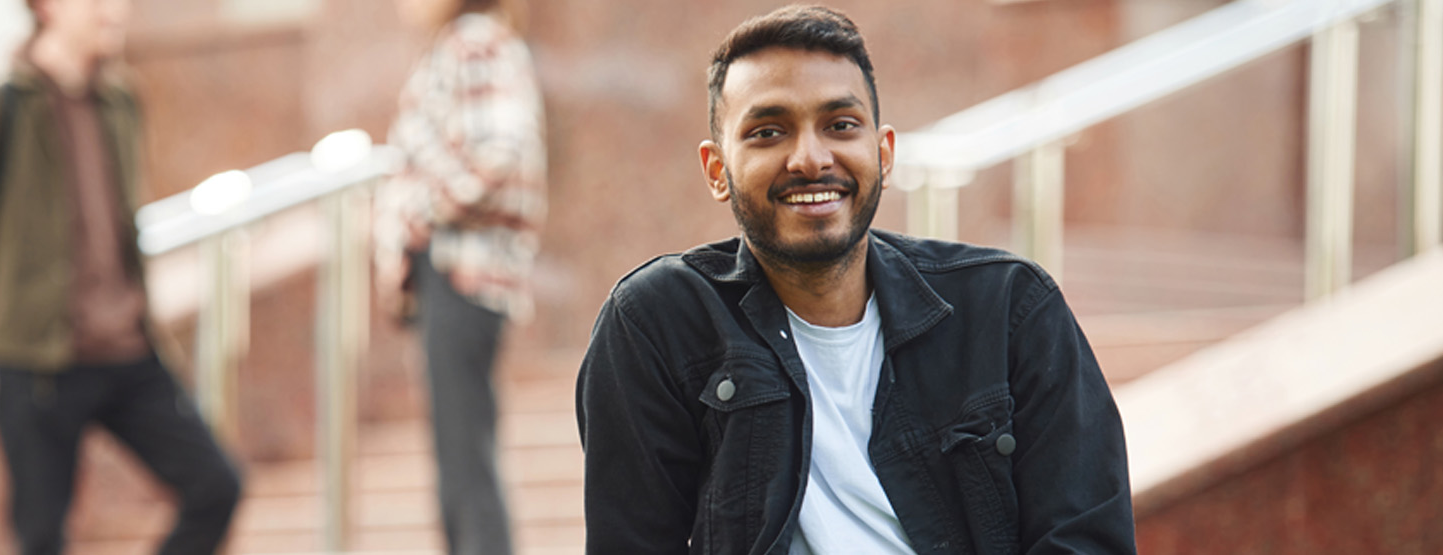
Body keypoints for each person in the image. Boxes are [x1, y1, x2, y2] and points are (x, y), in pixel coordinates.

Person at [574, 5, 1135, 554]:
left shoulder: (1010, 309)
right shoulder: (657, 323)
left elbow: (1085, 537)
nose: (810, 158)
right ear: (718, 171)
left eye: (840, 125)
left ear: (883, 154)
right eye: (768, 132)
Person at [0, 0, 241, 552]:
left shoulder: (119, 98)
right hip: (38, 361)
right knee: (41, 536)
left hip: (128, 350)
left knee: (216, 486)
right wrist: (1, 331)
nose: (115, 10)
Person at [374, 0, 547, 553]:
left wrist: (416, 213)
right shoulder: (472, 41)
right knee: (461, 457)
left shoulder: (472, 41)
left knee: (465, 461)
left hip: (461, 270)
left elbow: (497, 155)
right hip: (457, 271)